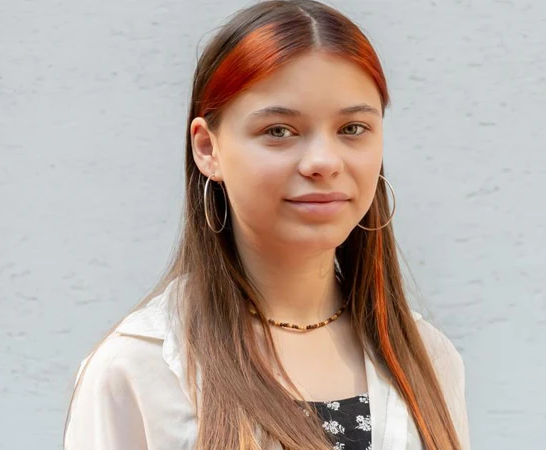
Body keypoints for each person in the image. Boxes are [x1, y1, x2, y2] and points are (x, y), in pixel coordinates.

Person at [63, 1, 471, 449]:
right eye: (279, 131)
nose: (323, 162)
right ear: (207, 148)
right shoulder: (138, 369)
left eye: (353, 128)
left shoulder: (427, 360)